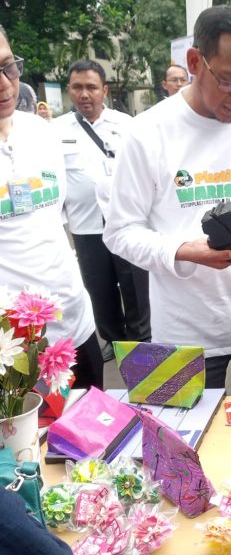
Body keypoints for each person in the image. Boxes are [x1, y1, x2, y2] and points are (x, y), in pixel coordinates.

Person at [103, 5, 231, 395]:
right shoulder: (147, 133)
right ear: (195, 62)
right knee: (177, 434)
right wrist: (182, 251)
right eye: (229, 80)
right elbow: (119, 232)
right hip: (181, 334)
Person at [0, 27, 102, 388]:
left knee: (93, 419)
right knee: (31, 426)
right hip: (13, 344)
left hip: (75, 321)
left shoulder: (42, 133)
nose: (5, 83)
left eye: (8, 66)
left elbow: (53, 220)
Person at [54, 60, 151, 362]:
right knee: (99, 288)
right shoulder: (55, 130)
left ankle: (141, 341)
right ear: (69, 90)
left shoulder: (127, 125)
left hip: (125, 223)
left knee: (135, 284)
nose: (85, 94)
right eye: (77, 87)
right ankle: (113, 339)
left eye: (91, 87)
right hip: (85, 226)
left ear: (104, 91)